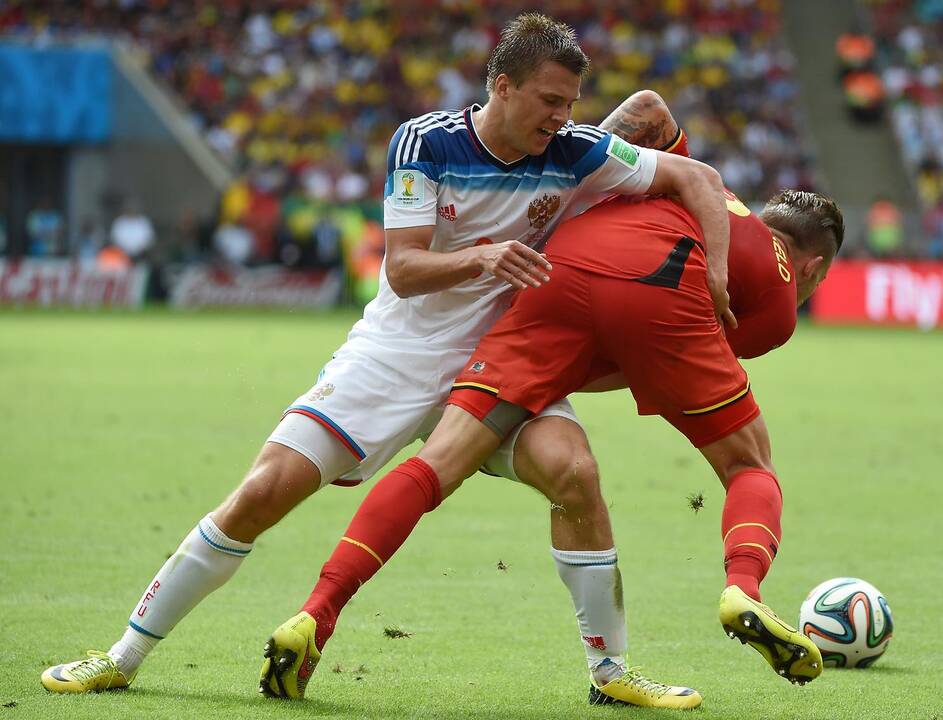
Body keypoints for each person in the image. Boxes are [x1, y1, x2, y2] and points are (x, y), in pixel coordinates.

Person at [41, 14, 729, 709]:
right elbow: (403, 269)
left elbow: (696, 177)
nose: (564, 115)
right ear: (503, 86)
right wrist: (485, 256)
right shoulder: (425, 141)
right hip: (398, 353)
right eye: (550, 100)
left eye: (572, 102)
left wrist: (723, 274)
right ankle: (123, 656)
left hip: (500, 361)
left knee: (575, 474)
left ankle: (612, 675)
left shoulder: (577, 151)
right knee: (263, 491)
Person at [286, 188, 844, 696]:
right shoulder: (778, 300)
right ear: (812, 267)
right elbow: (656, 351)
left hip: (558, 271)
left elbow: (650, 111)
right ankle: (742, 588)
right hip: (668, 290)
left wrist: (532, 383)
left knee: (439, 463)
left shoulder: (699, 185)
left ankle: (317, 611)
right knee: (750, 466)